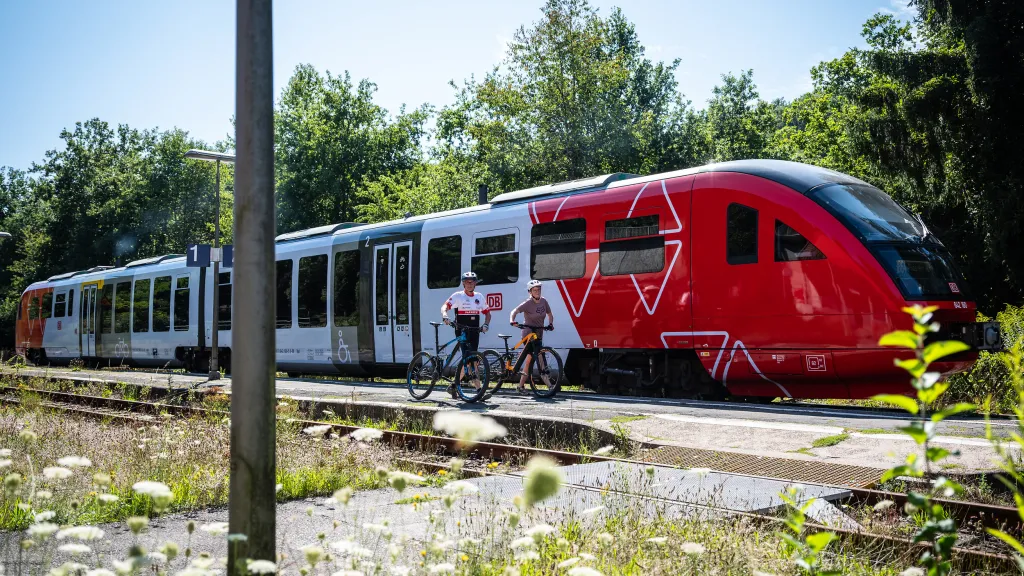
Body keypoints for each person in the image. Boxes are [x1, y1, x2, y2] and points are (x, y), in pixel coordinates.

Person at [441, 271, 490, 397]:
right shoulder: (458, 296)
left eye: (472, 281)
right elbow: (445, 306)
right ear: (463, 283)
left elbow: (487, 313)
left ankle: (453, 385)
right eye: (467, 282)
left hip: (474, 331)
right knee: (470, 360)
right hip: (462, 330)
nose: (469, 284)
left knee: (471, 360)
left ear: (475, 283)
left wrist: (486, 324)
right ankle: (479, 391)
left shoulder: (479, 296)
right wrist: (445, 315)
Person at [509, 279, 554, 393]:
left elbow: (550, 314)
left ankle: (520, 386)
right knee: (538, 357)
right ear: (530, 292)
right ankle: (549, 385)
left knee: (530, 360)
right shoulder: (527, 303)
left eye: (539, 289)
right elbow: (514, 311)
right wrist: (512, 320)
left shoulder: (544, 301)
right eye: (535, 290)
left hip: (539, 332)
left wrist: (550, 324)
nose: (537, 291)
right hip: (528, 333)